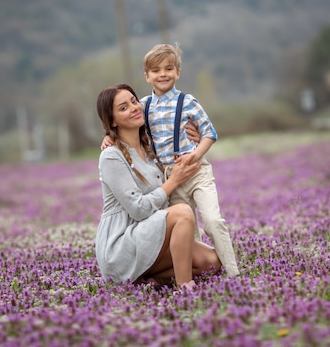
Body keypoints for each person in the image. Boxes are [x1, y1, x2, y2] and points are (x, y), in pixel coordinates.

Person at [102, 43, 240, 277]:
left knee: (212, 223)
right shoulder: (143, 108)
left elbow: (209, 132)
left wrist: (195, 153)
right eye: (156, 70)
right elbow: (120, 124)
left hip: (193, 169)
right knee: (187, 225)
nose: (163, 74)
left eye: (168, 69)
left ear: (178, 72)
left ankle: (233, 273)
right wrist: (107, 138)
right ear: (147, 76)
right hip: (168, 178)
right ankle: (184, 280)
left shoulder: (184, 102)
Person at [95, 83, 221, 291]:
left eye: (134, 102)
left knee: (211, 262)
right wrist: (174, 181)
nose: (134, 108)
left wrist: (194, 142)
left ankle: (144, 280)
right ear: (113, 121)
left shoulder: (150, 148)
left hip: (149, 237)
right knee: (182, 213)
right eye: (123, 108)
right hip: (121, 246)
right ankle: (185, 287)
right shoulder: (111, 156)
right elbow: (138, 209)